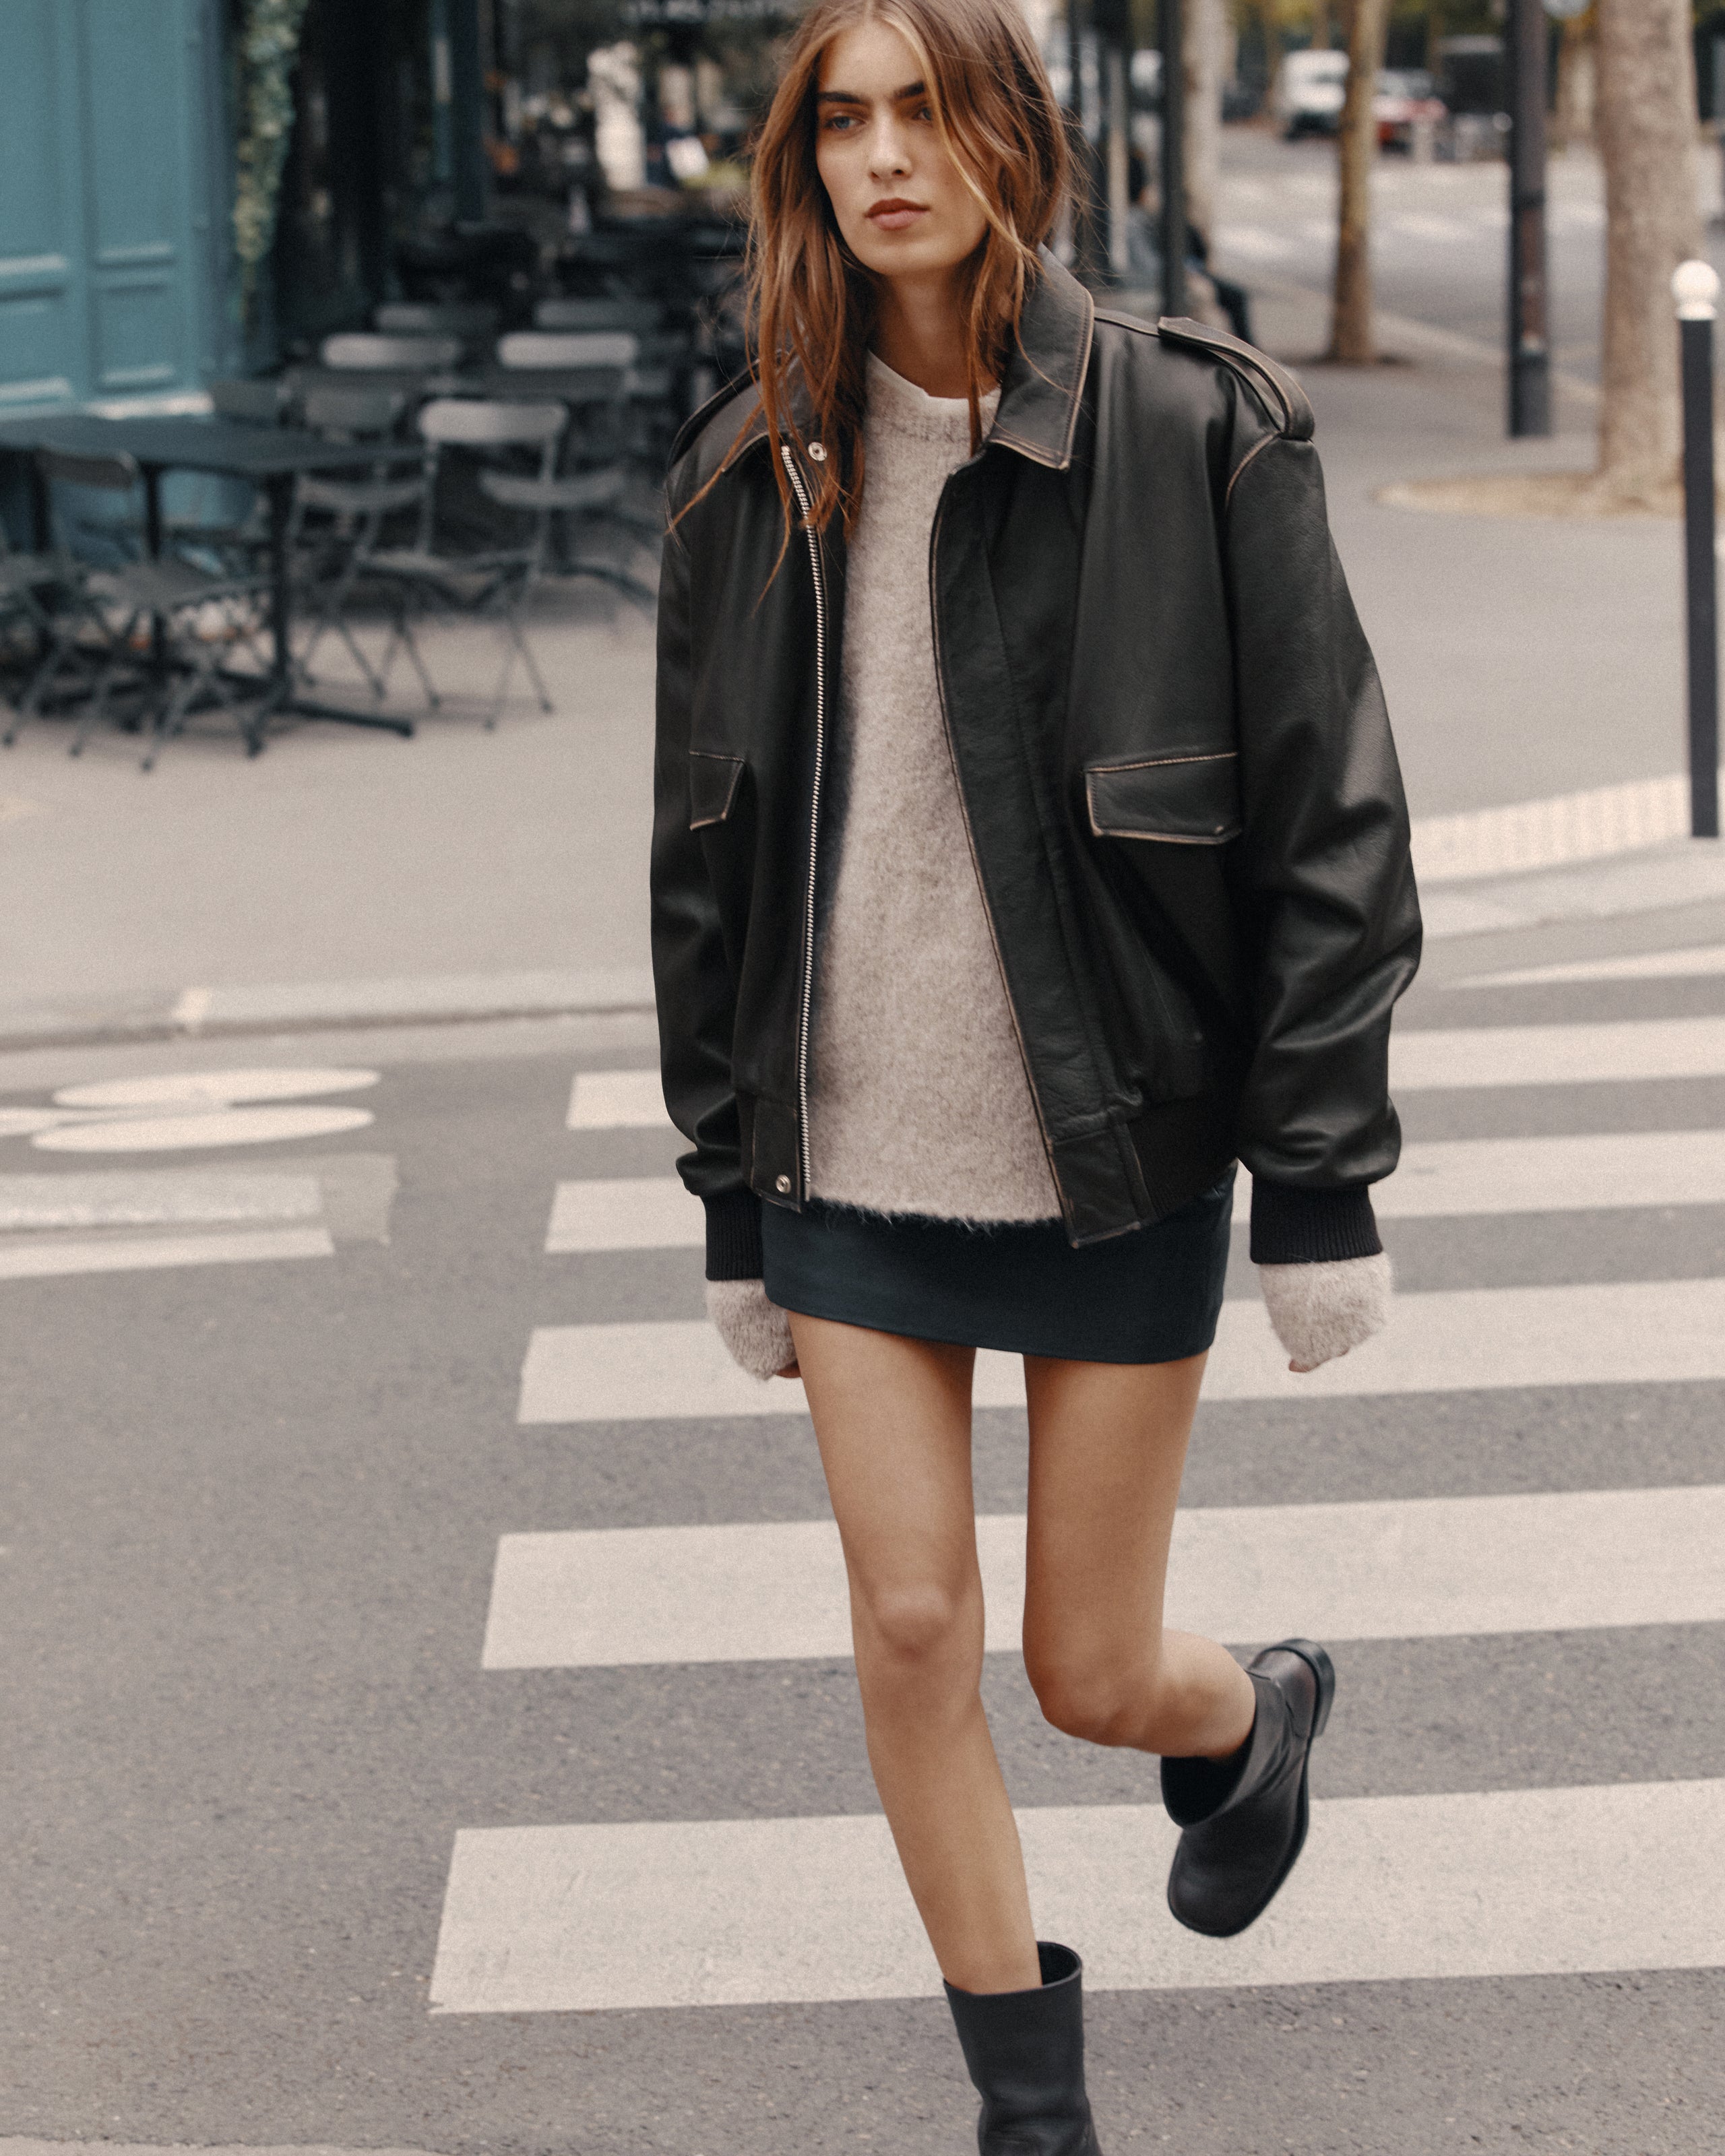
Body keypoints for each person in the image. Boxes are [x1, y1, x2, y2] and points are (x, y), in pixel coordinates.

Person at [650, 0, 1420, 2145]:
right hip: (850, 1149)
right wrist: (731, 1198)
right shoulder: (748, 471)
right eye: (841, 125)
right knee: (913, 1622)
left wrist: (1322, 1183)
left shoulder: (1198, 430)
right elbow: (696, 870)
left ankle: (1242, 1715)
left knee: (1092, 1675)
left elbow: (1331, 817)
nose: (883, 158)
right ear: (803, 166)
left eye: (923, 110)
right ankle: (1031, 2102)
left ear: (1007, 131)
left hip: (1116, 1138)